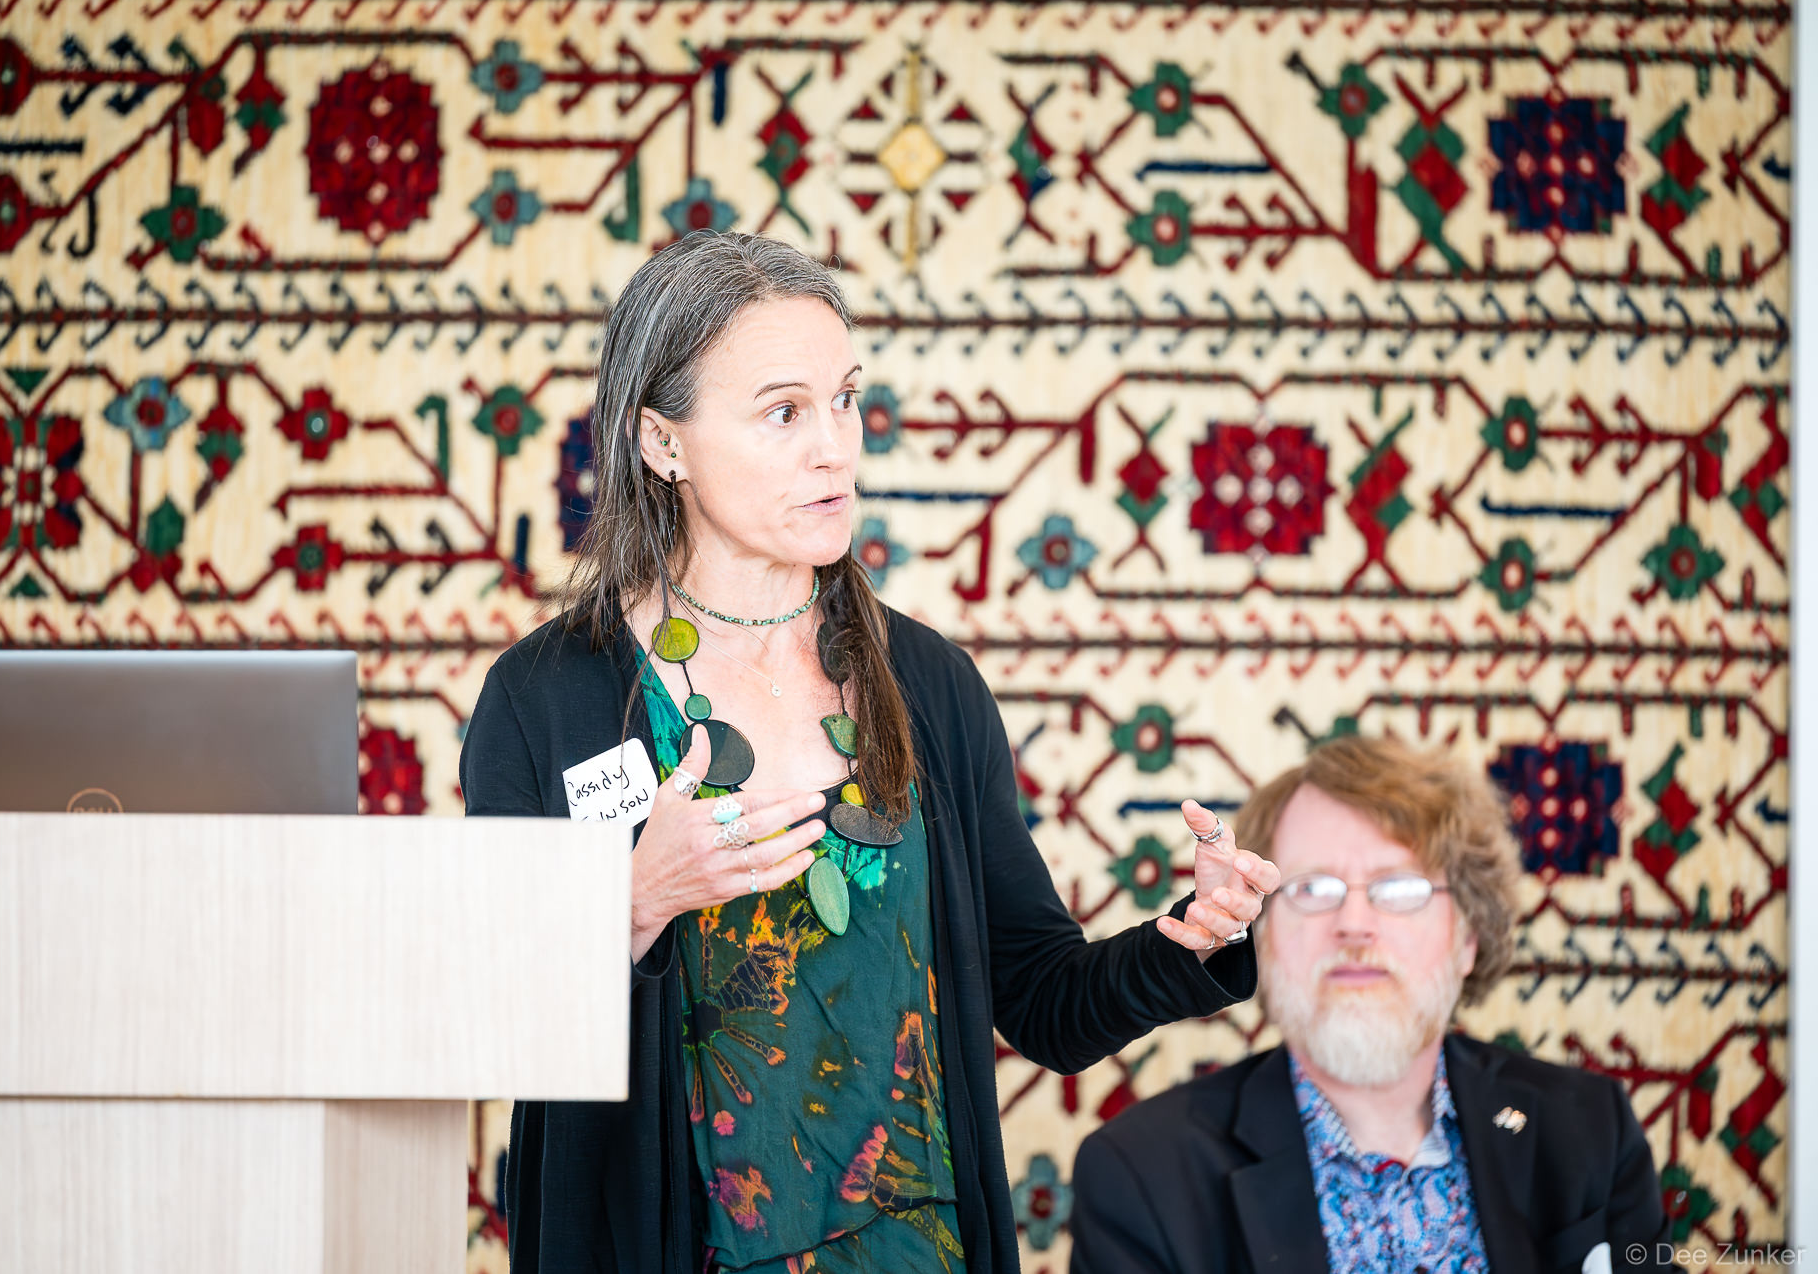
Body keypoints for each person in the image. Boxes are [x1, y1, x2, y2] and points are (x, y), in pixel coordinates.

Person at [459, 231, 1281, 1274]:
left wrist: (1191, 936)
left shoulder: (929, 683)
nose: (834, 447)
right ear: (661, 441)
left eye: (845, 400)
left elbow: (1040, 998)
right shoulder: (545, 699)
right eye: (784, 412)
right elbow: (488, 1026)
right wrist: (631, 901)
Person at [1069, 734, 1667, 1274]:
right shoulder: (1140, 1174)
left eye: (1400, 887)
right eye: (1310, 889)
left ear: (1469, 936)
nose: (1354, 924)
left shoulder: (1590, 1128)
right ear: (1263, 936)